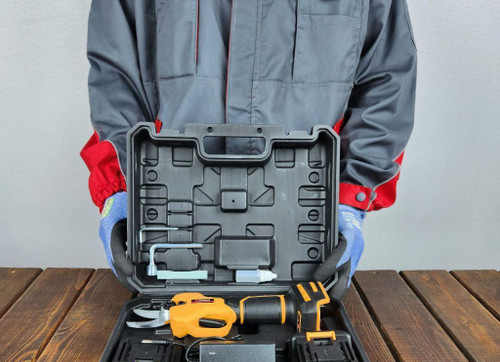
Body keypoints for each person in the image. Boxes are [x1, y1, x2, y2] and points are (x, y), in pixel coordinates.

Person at [81, 0, 417, 297]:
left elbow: (388, 78)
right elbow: (115, 78)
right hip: (172, 257)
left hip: (304, 267)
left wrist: (349, 199)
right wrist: (121, 191)